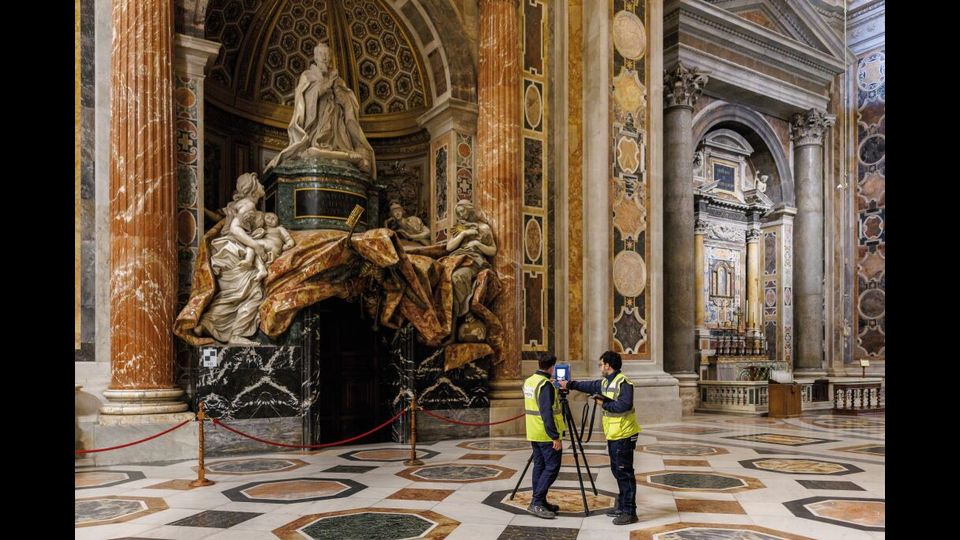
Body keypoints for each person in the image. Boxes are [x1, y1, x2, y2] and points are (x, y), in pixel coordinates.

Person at [265, 43, 376, 177]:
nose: (324, 58)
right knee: (316, 141)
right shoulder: (308, 76)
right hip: (316, 121)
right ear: (316, 58)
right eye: (321, 55)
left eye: (327, 55)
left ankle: (338, 147)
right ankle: (317, 143)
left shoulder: (338, 79)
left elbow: (348, 105)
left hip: (336, 123)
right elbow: (305, 99)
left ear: (330, 58)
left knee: (342, 138)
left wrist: (338, 91)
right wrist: (325, 85)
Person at [559, 350, 641, 525]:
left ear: (608, 366)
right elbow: (589, 386)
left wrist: (604, 403)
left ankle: (629, 511)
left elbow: (625, 405)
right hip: (614, 434)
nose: (600, 367)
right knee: (617, 471)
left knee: (624, 472)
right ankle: (622, 506)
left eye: (601, 364)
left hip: (624, 434)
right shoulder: (606, 382)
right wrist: (569, 384)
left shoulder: (624, 382)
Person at [522, 353, 567, 519]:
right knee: (552, 467)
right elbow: (547, 412)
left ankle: (540, 501)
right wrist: (555, 436)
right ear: (552, 367)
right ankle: (537, 501)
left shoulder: (530, 381)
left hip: (533, 431)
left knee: (539, 466)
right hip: (546, 433)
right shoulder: (545, 385)